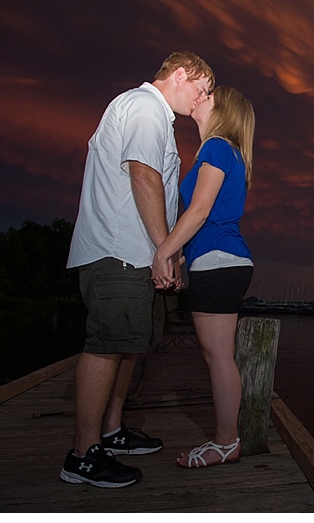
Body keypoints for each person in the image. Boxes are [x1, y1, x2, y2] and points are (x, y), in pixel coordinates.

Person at [62, 52, 214, 488]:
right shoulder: (145, 107)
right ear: (180, 74)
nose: (202, 99)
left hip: (134, 251)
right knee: (107, 344)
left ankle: (110, 431)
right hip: (118, 250)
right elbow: (144, 177)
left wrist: (163, 250)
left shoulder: (155, 117)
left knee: (128, 343)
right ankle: (82, 455)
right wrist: (165, 249)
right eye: (200, 89)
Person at [152, 85, 255, 468]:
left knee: (219, 358)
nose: (202, 95)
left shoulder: (216, 148)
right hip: (220, 261)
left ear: (223, 109)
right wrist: (178, 258)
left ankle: (227, 442)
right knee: (218, 356)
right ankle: (228, 439)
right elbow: (202, 219)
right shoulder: (225, 151)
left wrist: (162, 252)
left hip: (219, 262)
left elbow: (198, 212)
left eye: (209, 93)